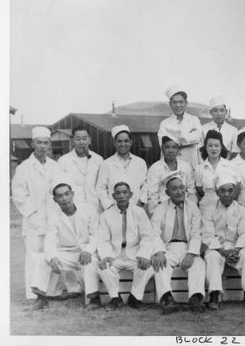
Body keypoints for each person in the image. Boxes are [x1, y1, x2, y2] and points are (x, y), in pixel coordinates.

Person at [30, 175, 101, 310]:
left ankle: (93, 299)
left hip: (86, 252)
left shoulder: (88, 210)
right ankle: (41, 298)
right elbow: (50, 240)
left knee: (91, 262)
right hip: (66, 254)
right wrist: (52, 257)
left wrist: (89, 250)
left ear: (72, 194)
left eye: (67, 194)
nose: (64, 198)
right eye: (60, 196)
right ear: (55, 199)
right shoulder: (54, 215)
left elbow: (96, 234)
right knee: (41, 259)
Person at [11, 126, 63, 300]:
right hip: (34, 222)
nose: (42, 146)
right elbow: (18, 195)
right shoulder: (24, 167)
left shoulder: (55, 166)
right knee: (33, 257)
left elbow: (60, 190)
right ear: (33, 143)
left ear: (50, 144)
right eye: (39, 142)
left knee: (52, 255)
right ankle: (32, 295)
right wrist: (32, 213)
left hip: (53, 220)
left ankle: (51, 291)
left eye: (46, 143)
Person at [149, 172, 206, 314]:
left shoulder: (192, 207)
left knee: (198, 264)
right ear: (167, 192)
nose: (179, 191)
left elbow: (196, 233)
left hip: (187, 246)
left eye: (182, 188)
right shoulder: (160, 208)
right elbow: (154, 233)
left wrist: (191, 253)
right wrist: (159, 252)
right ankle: (167, 299)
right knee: (160, 263)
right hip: (168, 247)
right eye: (175, 189)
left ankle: (195, 299)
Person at [201, 174, 245, 310]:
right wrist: (222, 251)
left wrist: (237, 249)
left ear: (234, 192)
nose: (227, 194)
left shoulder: (241, 209)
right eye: (223, 191)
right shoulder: (209, 210)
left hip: (235, 247)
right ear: (217, 192)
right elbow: (207, 234)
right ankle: (214, 296)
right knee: (212, 257)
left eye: (230, 191)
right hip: (217, 248)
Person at [96, 181, 156, 310]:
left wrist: (143, 255)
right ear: (113, 196)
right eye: (118, 193)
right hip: (115, 254)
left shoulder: (139, 212)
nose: (122, 196)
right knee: (103, 267)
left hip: (134, 254)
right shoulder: (106, 215)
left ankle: (135, 297)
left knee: (148, 268)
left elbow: (147, 236)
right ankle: (115, 298)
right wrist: (106, 255)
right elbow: (103, 239)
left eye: (125, 192)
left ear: (131, 194)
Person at [96, 125, 147, 212]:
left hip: (135, 209)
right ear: (114, 143)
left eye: (126, 141)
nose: (123, 144)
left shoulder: (140, 162)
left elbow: (145, 186)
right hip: (114, 210)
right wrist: (109, 206)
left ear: (131, 142)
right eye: (119, 141)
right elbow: (101, 188)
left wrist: (141, 202)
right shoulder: (106, 164)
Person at [58, 126, 103, 213]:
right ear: (72, 141)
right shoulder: (63, 161)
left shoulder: (98, 159)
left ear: (89, 140)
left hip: (95, 207)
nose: (81, 142)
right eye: (78, 139)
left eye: (84, 139)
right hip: (73, 208)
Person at [146, 134, 196, 211]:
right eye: (167, 147)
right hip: (163, 209)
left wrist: (191, 210)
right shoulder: (155, 168)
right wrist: (156, 214)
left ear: (178, 149)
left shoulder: (186, 166)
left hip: (184, 208)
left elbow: (191, 191)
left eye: (174, 147)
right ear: (162, 149)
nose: (171, 151)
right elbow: (152, 195)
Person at [195, 130, 240, 215]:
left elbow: (237, 187)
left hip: (227, 207)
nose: (213, 149)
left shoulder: (231, 165)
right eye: (210, 145)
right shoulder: (199, 169)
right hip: (206, 209)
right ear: (205, 147)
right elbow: (200, 190)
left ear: (221, 147)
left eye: (216, 145)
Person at [158, 85, 203, 168]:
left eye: (181, 102)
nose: (178, 105)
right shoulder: (164, 124)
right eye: (174, 102)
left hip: (191, 164)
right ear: (170, 104)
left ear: (186, 103)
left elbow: (198, 138)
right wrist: (189, 141)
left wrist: (176, 141)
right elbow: (163, 144)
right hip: (172, 165)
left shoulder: (194, 120)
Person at [201, 95, 238, 159]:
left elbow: (235, 152)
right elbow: (201, 151)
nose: (219, 114)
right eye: (215, 111)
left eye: (222, 110)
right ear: (211, 112)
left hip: (227, 165)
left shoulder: (233, 130)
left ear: (226, 112)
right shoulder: (203, 129)